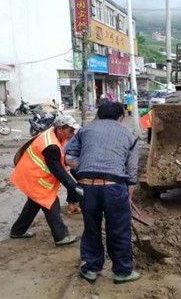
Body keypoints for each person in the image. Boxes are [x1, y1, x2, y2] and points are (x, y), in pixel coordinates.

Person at [66, 102, 140, 284]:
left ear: (99, 115)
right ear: (121, 118)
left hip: (86, 187)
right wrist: (128, 193)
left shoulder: (84, 131)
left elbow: (68, 156)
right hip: (114, 186)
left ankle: (90, 268)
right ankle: (123, 272)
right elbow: (132, 170)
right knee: (119, 230)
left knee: (91, 228)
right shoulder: (128, 136)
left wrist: (84, 165)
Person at [9, 115, 82, 247]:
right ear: (60, 129)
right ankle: (61, 236)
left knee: (33, 204)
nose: (73, 133)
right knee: (51, 203)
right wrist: (74, 187)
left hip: (32, 172)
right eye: (70, 130)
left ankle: (17, 231)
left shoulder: (54, 134)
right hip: (35, 176)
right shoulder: (51, 146)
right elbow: (58, 170)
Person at [64, 137, 81, 214]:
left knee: (76, 183)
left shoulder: (78, 135)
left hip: (70, 161)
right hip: (76, 163)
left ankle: (71, 205)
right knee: (83, 184)